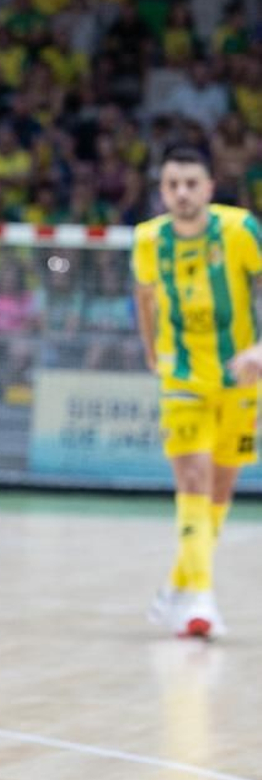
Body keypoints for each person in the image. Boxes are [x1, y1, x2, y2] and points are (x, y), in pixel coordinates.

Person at [135, 147, 262, 638]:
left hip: (240, 377)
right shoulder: (148, 240)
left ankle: (178, 582)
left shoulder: (240, 230)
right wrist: (151, 352)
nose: (182, 193)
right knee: (192, 479)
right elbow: (144, 296)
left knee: (221, 490)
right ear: (162, 191)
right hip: (182, 376)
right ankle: (201, 598)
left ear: (209, 187)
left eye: (191, 183)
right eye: (172, 184)